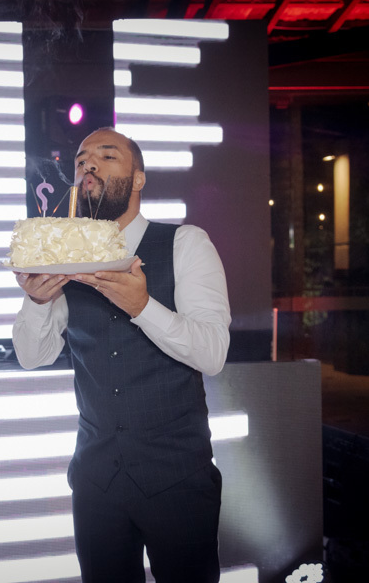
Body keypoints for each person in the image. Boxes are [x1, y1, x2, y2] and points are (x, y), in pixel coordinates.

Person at [12, 127, 231, 583]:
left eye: (107, 156)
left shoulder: (187, 244)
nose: (87, 164)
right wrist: (36, 302)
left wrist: (143, 307)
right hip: (96, 482)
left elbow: (212, 352)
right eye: (81, 159)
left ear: (137, 179)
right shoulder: (63, 254)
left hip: (178, 479)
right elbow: (34, 356)